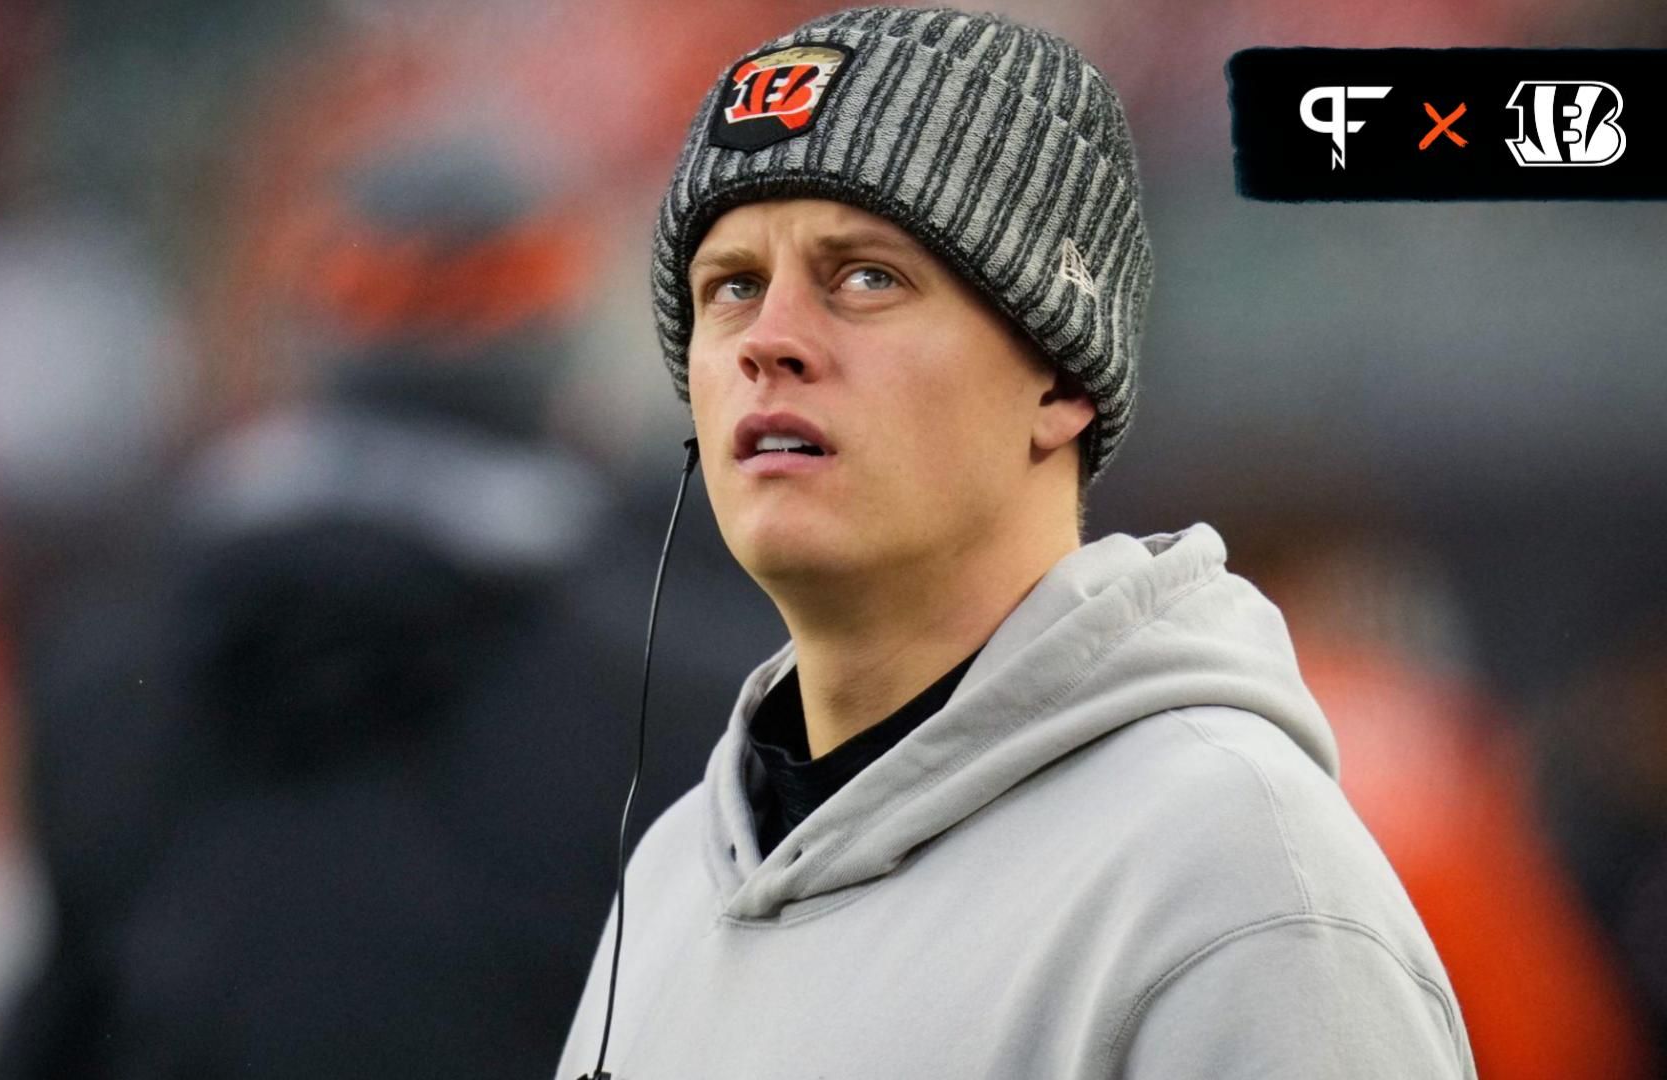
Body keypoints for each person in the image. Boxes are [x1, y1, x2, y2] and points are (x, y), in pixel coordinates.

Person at [558, 8, 1475, 1078]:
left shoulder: (1237, 882)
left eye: (866, 277)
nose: (768, 343)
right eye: (732, 286)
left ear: (1060, 378)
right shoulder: (673, 871)